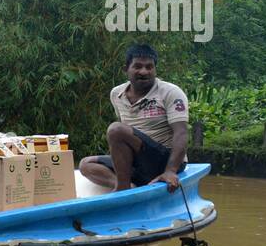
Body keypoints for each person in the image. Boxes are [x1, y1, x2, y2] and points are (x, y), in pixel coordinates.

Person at [79, 43, 189, 192]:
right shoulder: (116, 94)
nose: (144, 71)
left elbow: (181, 133)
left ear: (155, 70)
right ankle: (128, 186)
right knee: (86, 165)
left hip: (165, 160)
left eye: (149, 67)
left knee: (116, 129)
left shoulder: (170, 92)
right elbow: (124, 137)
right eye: (137, 66)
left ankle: (122, 190)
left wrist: (170, 170)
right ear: (126, 69)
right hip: (138, 161)